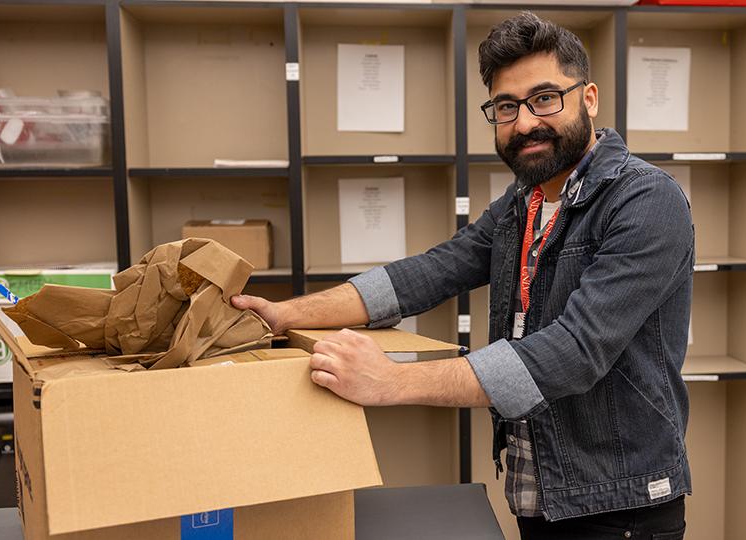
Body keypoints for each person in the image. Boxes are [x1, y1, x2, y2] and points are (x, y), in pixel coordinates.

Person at [232, 12, 694, 540]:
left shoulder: (645, 200)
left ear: (588, 98)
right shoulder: (525, 201)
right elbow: (434, 271)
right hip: (540, 490)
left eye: (545, 99)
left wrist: (392, 381)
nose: (524, 124)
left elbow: (575, 351)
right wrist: (281, 314)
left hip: (620, 506)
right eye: (505, 107)